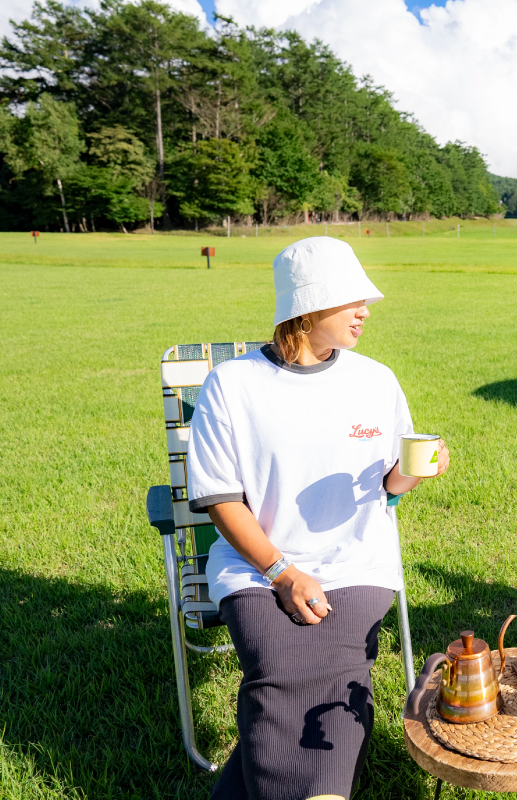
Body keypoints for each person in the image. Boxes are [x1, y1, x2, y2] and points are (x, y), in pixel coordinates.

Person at [187, 237, 450, 799]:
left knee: (331, 663)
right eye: (351, 299)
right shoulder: (232, 386)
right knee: (276, 663)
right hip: (257, 563)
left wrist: (413, 473)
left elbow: (387, 485)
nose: (366, 310)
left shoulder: (375, 380)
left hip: (357, 561)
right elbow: (221, 500)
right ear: (308, 307)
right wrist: (282, 572)